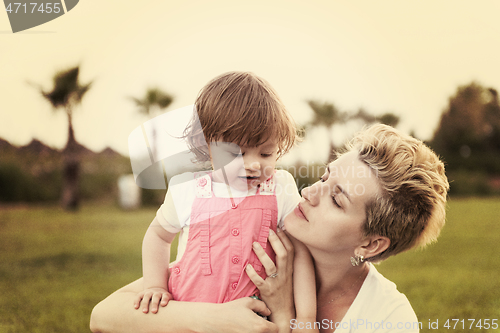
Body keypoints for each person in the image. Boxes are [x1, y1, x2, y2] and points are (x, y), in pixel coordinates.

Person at [90, 123, 448, 333]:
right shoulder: (261, 245)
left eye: (337, 200)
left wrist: (281, 313)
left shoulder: (388, 320)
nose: (309, 192)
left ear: (370, 245)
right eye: (324, 176)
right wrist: (214, 318)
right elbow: (104, 315)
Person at [130, 71, 316, 328]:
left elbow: (301, 252)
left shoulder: (280, 187)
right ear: (206, 143)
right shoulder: (187, 190)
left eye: (265, 153)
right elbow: (158, 236)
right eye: (235, 153)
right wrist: (155, 285)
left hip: (255, 321)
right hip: (192, 319)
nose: (252, 164)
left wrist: (306, 318)